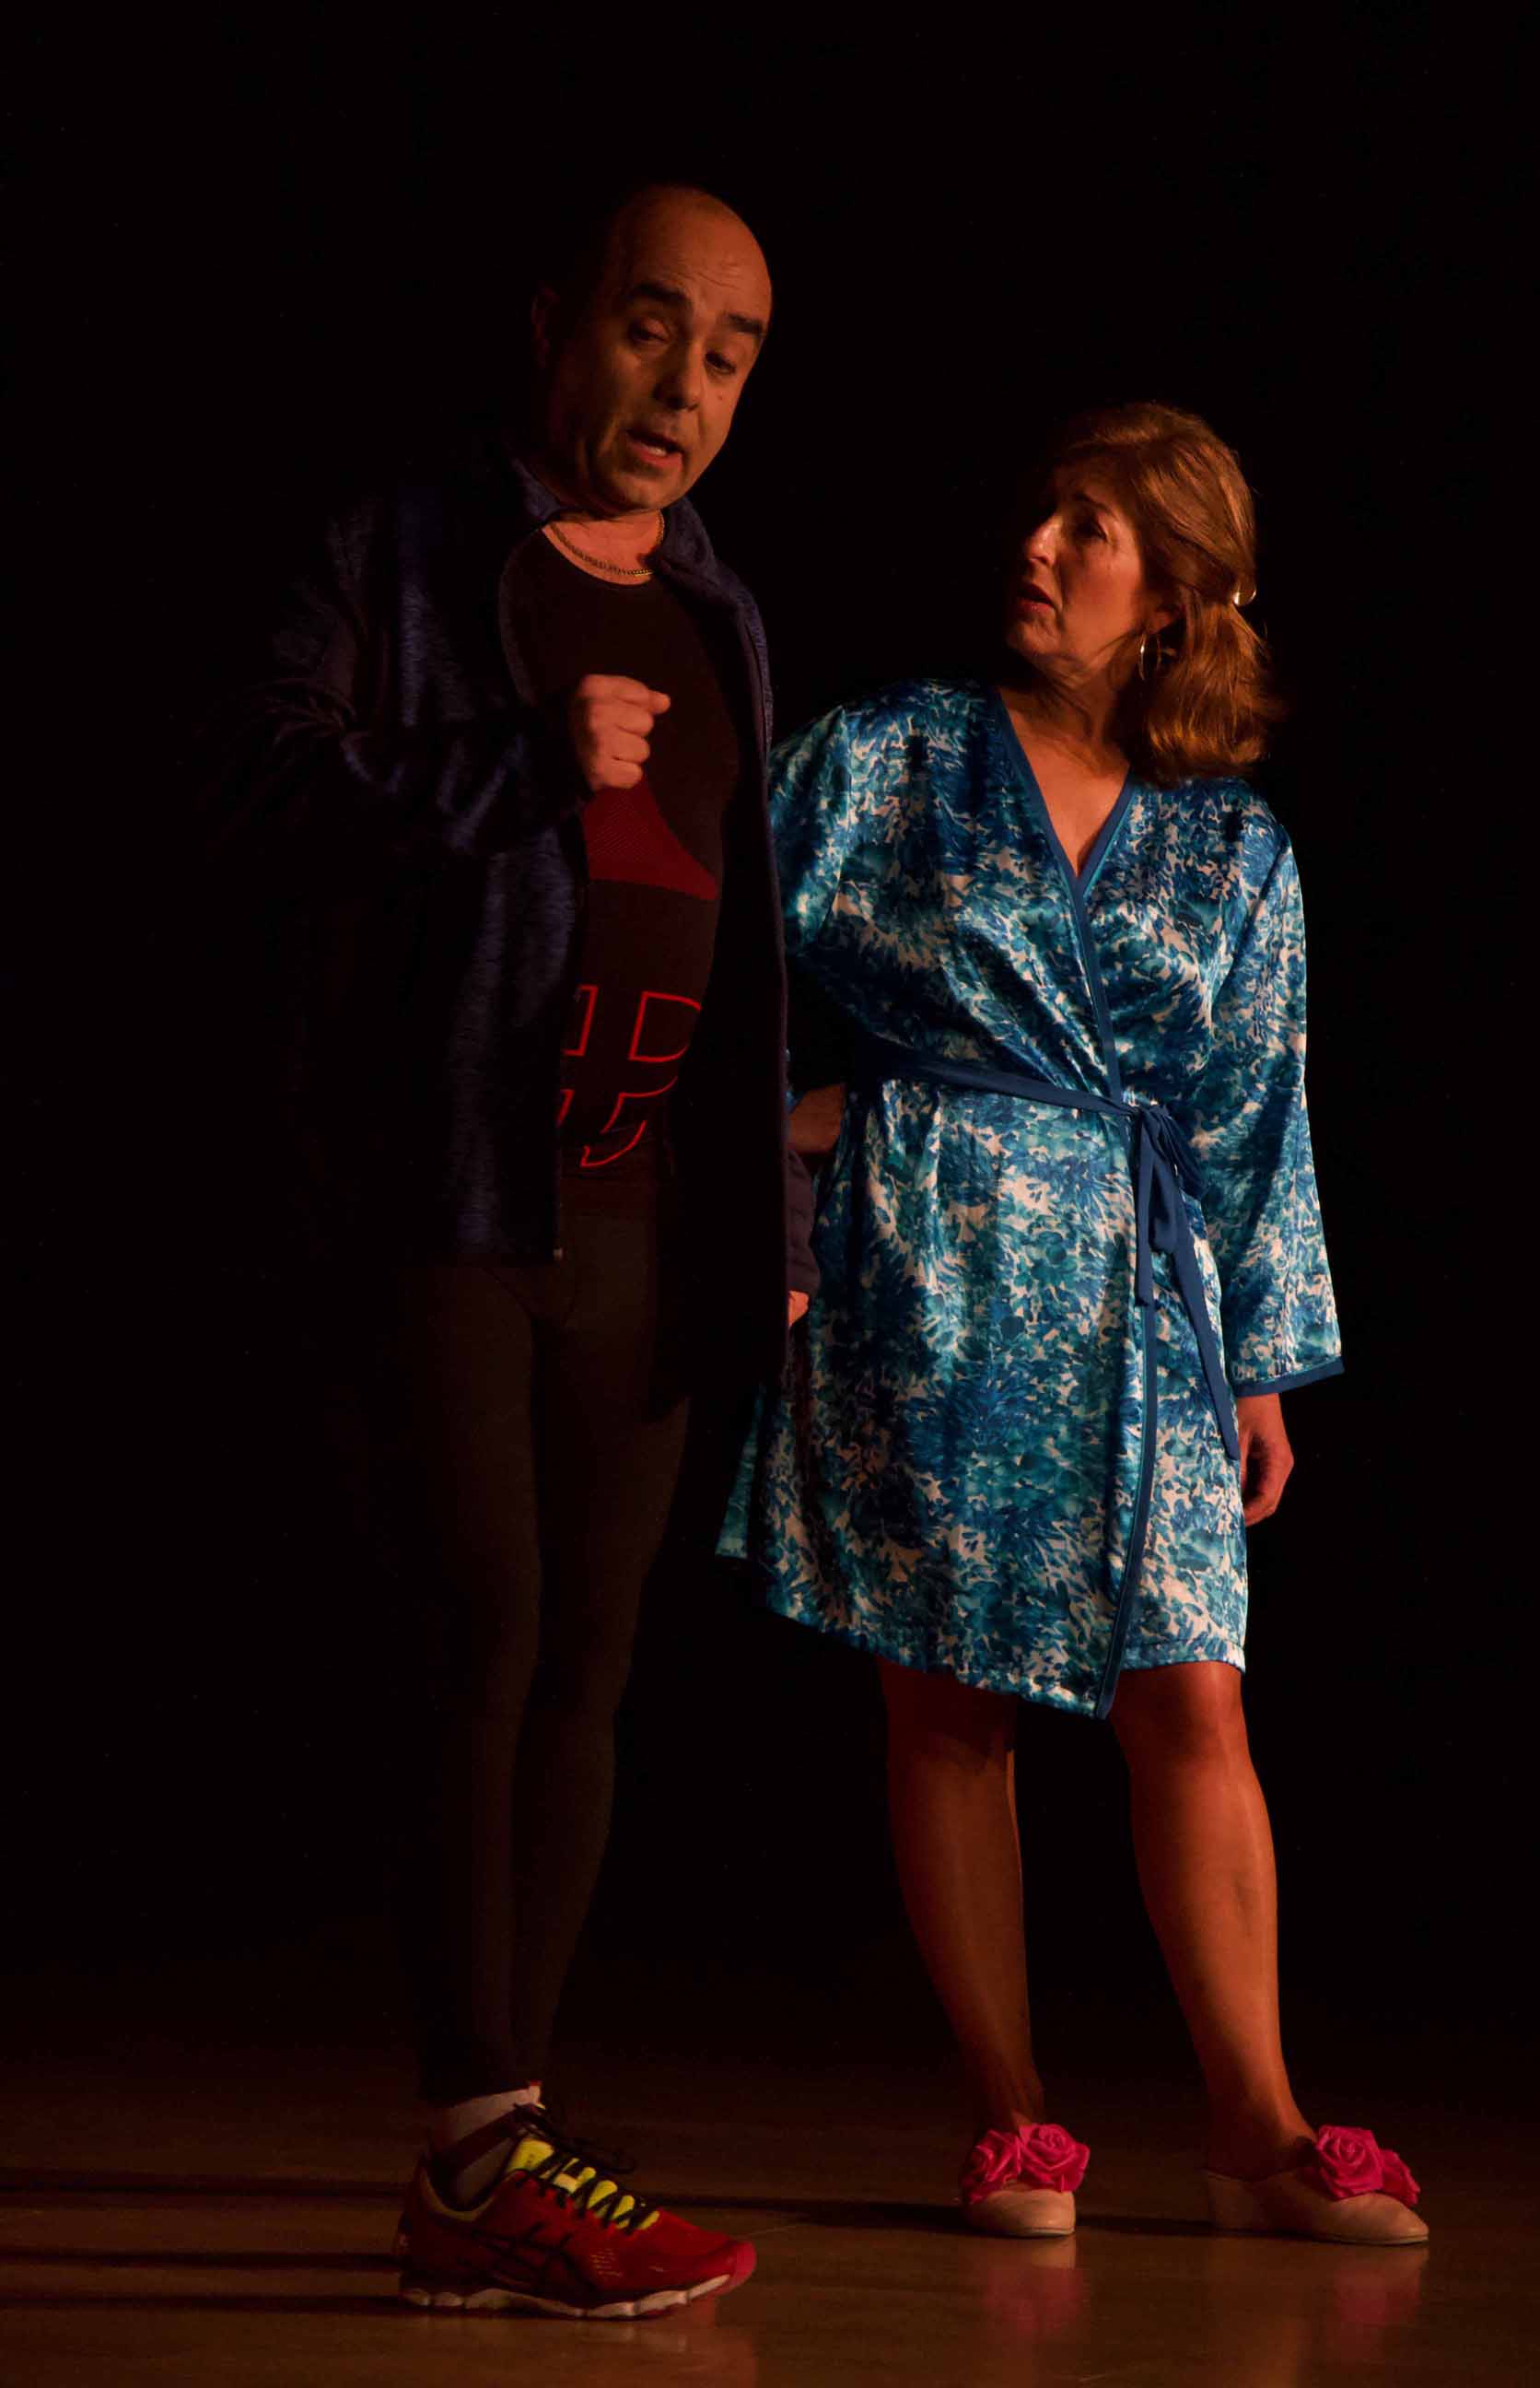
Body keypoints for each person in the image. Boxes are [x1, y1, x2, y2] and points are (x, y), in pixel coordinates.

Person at [202, 180, 815, 2319]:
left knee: (585, 1663)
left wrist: (774, 1214)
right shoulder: (399, 554)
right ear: (559, 324)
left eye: (730, 354)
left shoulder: (722, 609)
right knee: (481, 1626)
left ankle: (503, 2138)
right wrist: (508, 770)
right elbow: (251, 799)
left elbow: (741, 937)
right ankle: (479, 2152)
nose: (686, 386)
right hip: (445, 1195)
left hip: (643, 1217)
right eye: (653, 329)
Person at [726, 402, 1427, 2248]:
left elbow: (1257, 1112)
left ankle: (1257, 2125)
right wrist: (784, 1153)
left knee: (1192, 1694)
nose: (1037, 547)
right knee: (948, 1703)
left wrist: (1264, 1362)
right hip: (929, 1265)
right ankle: (1011, 2116)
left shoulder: (1232, 843)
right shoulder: (886, 758)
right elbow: (717, 956)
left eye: (1092, 530)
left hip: (1144, 1299)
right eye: (1042, 512)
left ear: (1175, 595)